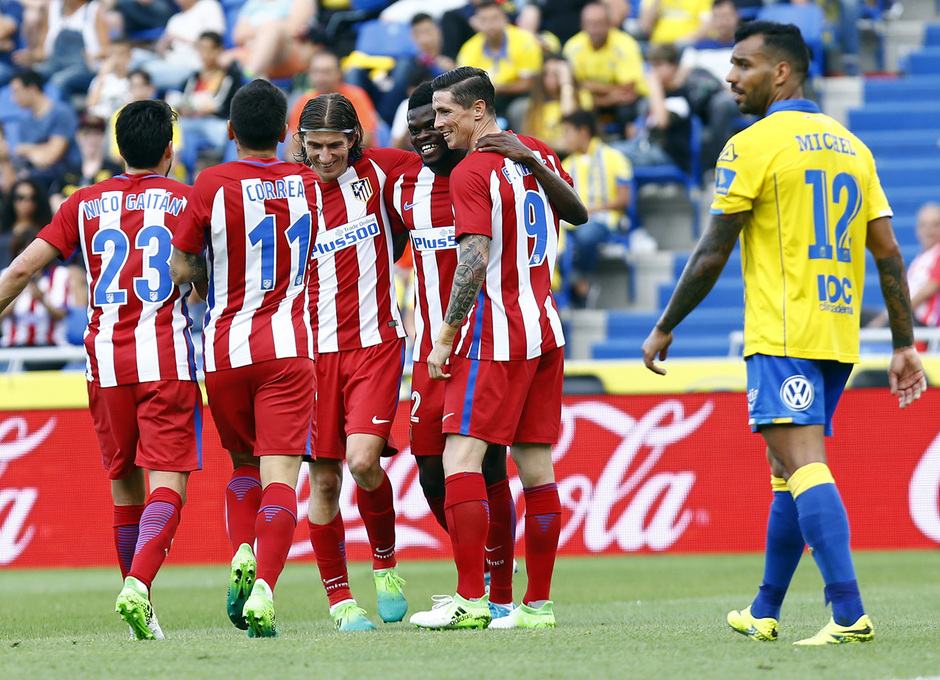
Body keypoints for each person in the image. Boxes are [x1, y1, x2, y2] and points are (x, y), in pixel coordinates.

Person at [641, 21, 927, 645]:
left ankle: (848, 614)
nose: (729, 76)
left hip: (782, 331)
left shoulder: (752, 144)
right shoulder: (853, 146)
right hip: (836, 332)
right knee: (785, 468)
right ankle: (766, 609)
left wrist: (665, 325)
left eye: (742, 64)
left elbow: (715, 250)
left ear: (780, 72)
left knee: (803, 463)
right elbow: (888, 254)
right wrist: (904, 343)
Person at [0, 99, 201, 640]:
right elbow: (208, 283)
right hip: (166, 358)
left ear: (119, 148)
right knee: (169, 484)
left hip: (104, 363)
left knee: (124, 489)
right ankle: (138, 587)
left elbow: (21, 269)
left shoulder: (83, 203)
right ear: (169, 151)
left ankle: (144, 609)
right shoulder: (187, 201)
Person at [409, 66, 587, 630]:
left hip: (496, 333)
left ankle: (469, 600)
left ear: (478, 112)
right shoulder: (536, 152)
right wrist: (533, 161)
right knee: (535, 467)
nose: (438, 124)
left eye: (445, 113)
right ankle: (537, 607)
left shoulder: (472, 171)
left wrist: (443, 338)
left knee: (461, 459)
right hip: (546, 330)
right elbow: (577, 212)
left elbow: (474, 261)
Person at [170, 79, 319, 638]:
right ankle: (265, 590)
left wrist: (204, 280)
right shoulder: (307, 182)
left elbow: (183, 266)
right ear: (285, 133)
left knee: (243, 467)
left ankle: (241, 550)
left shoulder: (209, 182)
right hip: (289, 346)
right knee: (283, 474)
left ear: (230, 131)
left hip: (225, 349)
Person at [295, 92, 412, 632]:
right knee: (323, 483)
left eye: (334, 145)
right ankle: (341, 603)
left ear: (354, 140)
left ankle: (386, 566)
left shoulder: (384, 171)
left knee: (364, 462)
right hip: (310, 356)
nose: (324, 156)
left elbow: (442, 179)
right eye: (314, 146)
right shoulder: (284, 191)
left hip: (375, 345)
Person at [560, 108, 633, 307]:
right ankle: (577, 287)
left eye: (567, 132)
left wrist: (593, 209)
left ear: (583, 131)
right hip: (570, 222)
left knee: (586, 235)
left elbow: (624, 198)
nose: (564, 138)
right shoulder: (565, 164)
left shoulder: (613, 157)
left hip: (604, 219)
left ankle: (582, 281)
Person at [562, 2, 657, 138]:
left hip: (622, 101)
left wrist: (589, 85)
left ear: (609, 24)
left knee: (627, 108)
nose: (594, 29)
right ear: (582, 25)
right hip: (591, 100)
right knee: (576, 104)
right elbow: (573, 87)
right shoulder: (572, 47)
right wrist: (608, 97)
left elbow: (629, 88)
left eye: (599, 23)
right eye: (590, 23)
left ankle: (627, 147)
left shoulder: (626, 44)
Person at [455, 0, 542, 116]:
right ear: (477, 23)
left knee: (520, 109)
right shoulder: (468, 49)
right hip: (483, 99)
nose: (490, 24)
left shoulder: (525, 41)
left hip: (518, 96)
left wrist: (499, 88)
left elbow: (529, 83)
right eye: (484, 20)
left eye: (494, 18)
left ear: (505, 19)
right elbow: (463, 85)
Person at [286, 50, 378, 160]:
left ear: (339, 73)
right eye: (316, 72)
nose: (321, 77)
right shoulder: (303, 101)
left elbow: (365, 140)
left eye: (327, 72)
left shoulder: (356, 96)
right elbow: (291, 151)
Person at [868, 203, 940, 329]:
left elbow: (931, 288)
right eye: (924, 225)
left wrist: (894, 315)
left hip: (921, 323)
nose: (929, 230)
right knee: (858, 315)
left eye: (936, 225)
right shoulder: (921, 259)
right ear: (917, 230)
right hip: (907, 316)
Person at [8, 68, 80, 192]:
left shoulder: (62, 112)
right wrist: (38, 152)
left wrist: (26, 149)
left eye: (16, 92)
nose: (13, 99)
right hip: (35, 183)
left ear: (32, 89)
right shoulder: (24, 123)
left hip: (64, 180)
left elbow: (53, 154)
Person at [0, 177, 53, 269]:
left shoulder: (46, 233)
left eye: (32, 198)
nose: (26, 203)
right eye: (20, 198)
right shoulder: (3, 232)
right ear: (12, 200)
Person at [638, 0, 713, 46]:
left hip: (688, 45)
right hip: (658, 47)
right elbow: (645, 25)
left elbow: (705, 27)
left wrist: (681, 42)